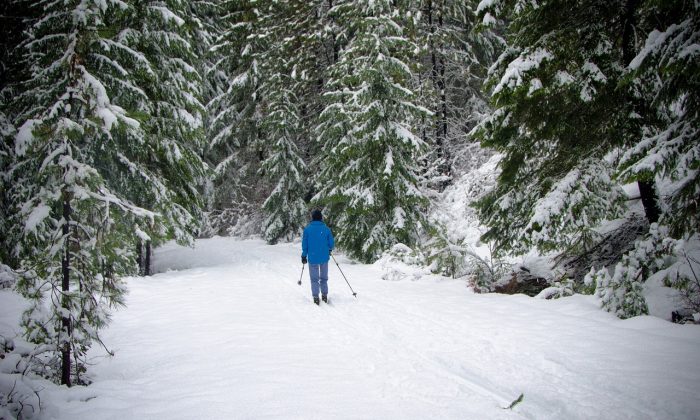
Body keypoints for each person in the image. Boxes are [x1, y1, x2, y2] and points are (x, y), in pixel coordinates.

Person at [301, 209, 335, 305]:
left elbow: (305, 245)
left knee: (314, 278)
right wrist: (328, 248)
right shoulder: (326, 229)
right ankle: (324, 295)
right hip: (324, 257)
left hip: (313, 258)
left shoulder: (307, 229)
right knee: (324, 278)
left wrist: (304, 256)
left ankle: (316, 297)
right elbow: (331, 244)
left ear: (312, 218)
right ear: (321, 218)